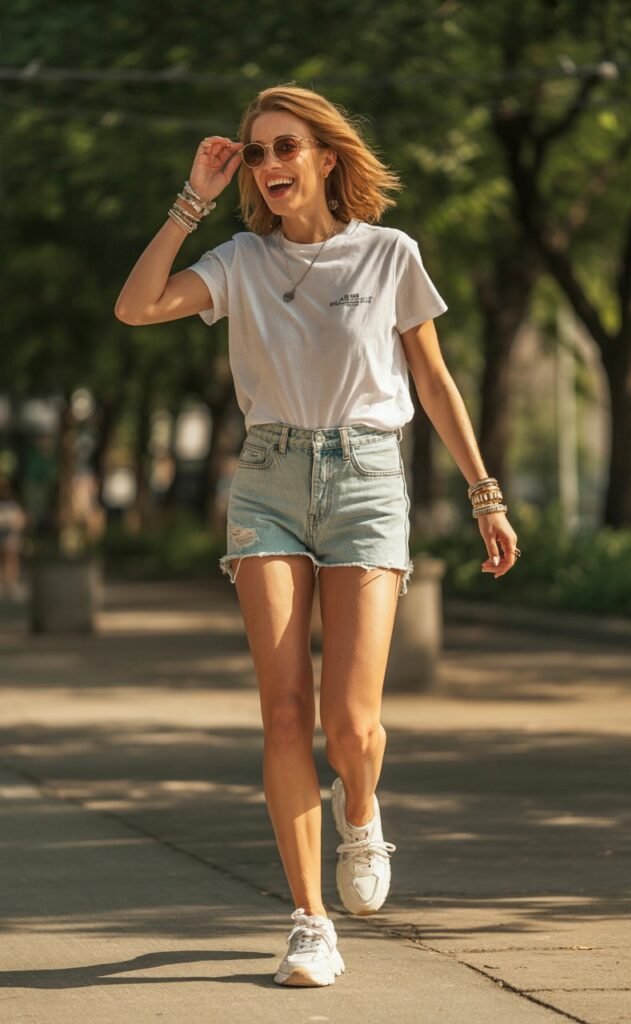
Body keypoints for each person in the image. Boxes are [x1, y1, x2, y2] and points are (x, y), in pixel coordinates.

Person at [115, 83, 520, 988]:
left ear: (326, 156)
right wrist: (192, 202)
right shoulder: (239, 260)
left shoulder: (389, 254)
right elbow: (135, 308)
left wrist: (485, 493)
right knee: (286, 710)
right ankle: (309, 921)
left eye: (284, 147)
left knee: (352, 722)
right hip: (267, 480)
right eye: (256, 153)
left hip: (369, 480)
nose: (268, 166)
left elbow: (436, 381)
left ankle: (362, 810)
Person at [0, 478, 27, 600]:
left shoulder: (14, 505)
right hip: (3, 536)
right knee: (5, 560)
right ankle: (4, 584)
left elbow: (20, 520)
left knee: (11, 560)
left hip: (11, 537)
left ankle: (11, 584)